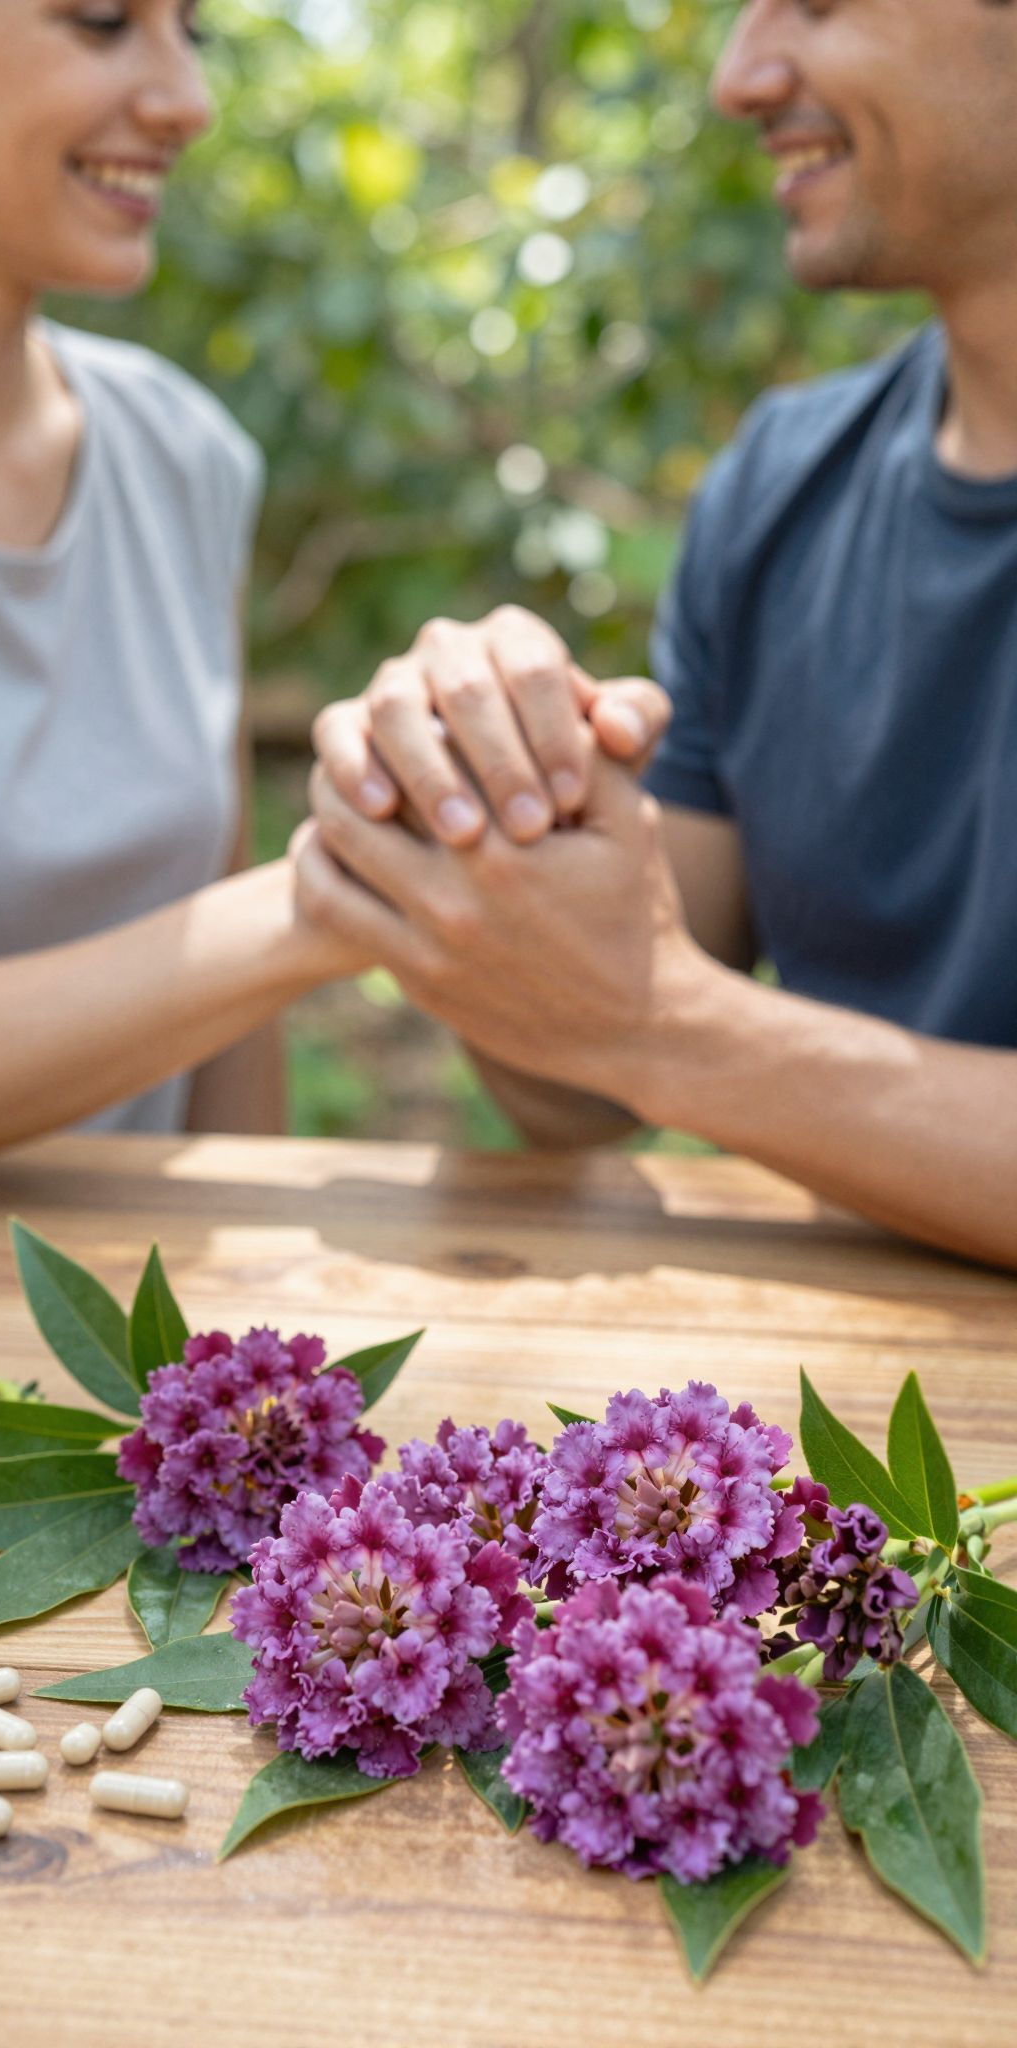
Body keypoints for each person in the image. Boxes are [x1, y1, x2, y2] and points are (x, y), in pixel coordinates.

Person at [303, 0, 1017, 1273]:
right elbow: (575, 1089)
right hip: (852, 1441)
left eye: (814, 3)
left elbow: (643, 1023)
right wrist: (485, 810)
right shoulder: (783, 486)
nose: (742, 77)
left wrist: (667, 1026)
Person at [0, 0, 367, 1197]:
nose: (185, 98)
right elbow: (241, 941)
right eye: (100, 23)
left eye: (192, 29)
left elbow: (230, 1036)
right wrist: (313, 913)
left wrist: (261, 1353)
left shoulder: (181, 454)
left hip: (130, 1357)